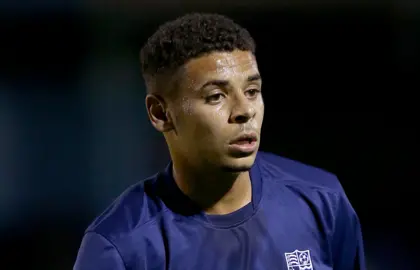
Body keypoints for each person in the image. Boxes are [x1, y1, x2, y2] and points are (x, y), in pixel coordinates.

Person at [73, 13, 366, 270]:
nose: (244, 111)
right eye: (216, 96)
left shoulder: (322, 201)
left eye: (252, 91)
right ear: (161, 113)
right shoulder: (120, 245)